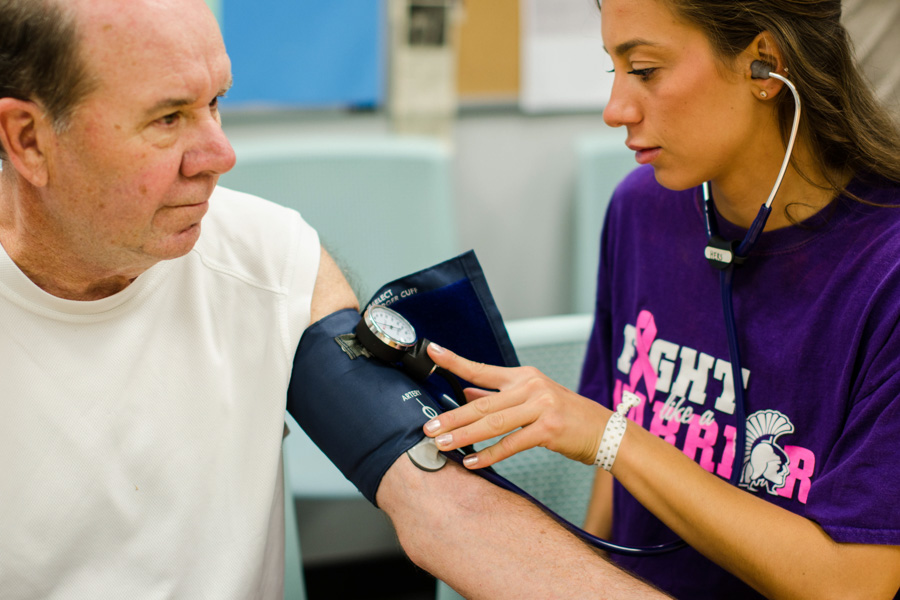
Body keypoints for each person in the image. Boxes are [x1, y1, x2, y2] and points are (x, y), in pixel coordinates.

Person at [0, 0, 674, 598]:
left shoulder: (265, 255)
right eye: (167, 118)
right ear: (28, 139)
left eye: (216, 103)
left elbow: (449, 511)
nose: (219, 153)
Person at [422, 0, 900, 598]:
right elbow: (616, 472)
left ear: (764, 65)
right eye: (613, 71)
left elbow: (852, 584)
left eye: (645, 70)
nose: (615, 109)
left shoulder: (886, 271)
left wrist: (612, 437)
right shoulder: (641, 209)